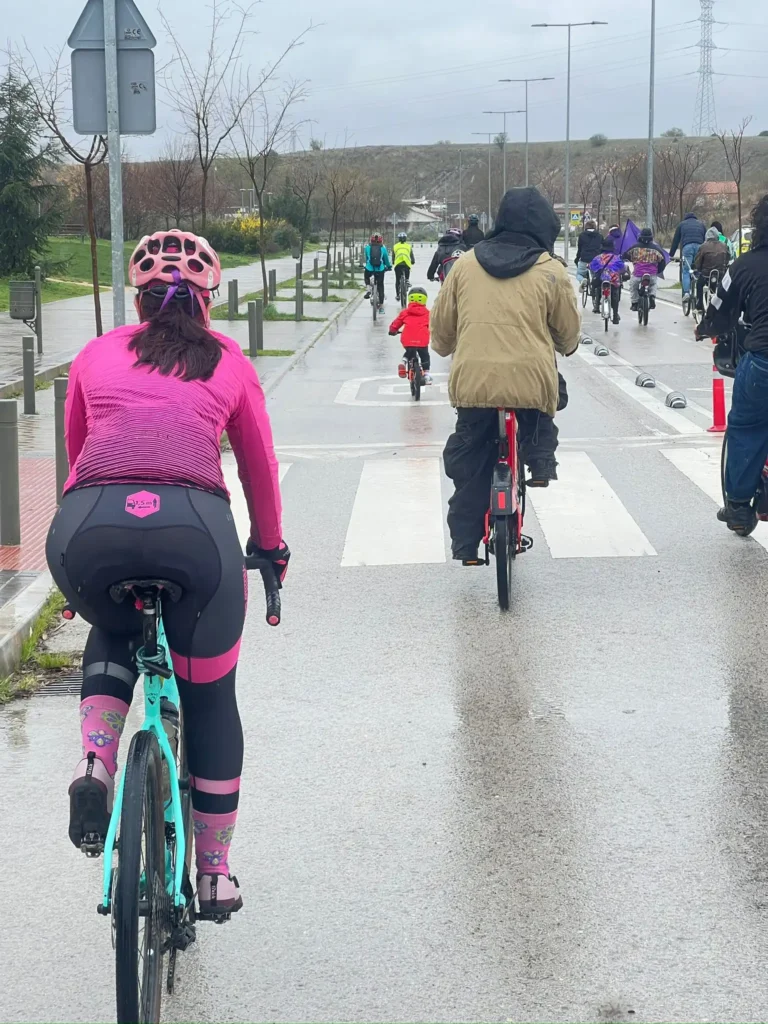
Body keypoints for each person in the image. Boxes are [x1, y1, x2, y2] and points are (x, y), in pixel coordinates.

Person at [50, 229, 288, 917]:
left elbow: (77, 452)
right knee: (211, 699)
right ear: (209, 299)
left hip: (89, 528)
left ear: (140, 299)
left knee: (113, 620)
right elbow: (259, 469)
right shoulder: (231, 362)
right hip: (196, 536)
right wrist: (270, 549)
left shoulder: (96, 353)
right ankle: (213, 874)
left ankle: (95, 761)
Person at [430, 186, 580, 563]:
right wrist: (564, 345)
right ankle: (542, 462)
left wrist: (447, 344)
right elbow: (568, 336)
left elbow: (442, 335)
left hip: (473, 384)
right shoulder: (551, 271)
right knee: (544, 401)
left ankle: (465, 546)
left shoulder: (463, 266)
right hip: (531, 381)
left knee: (469, 466)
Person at [696, 194, 768, 536]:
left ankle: (739, 507)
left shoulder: (744, 265)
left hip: (762, 362)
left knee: (746, 427)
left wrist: (706, 328)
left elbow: (719, 307)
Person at [388, 283, 432, 384]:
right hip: (422, 339)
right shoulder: (428, 313)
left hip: (408, 338)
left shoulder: (405, 313)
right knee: (424, 355)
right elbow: (434, 325)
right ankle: (426, 374)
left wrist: (392, 330)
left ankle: (403, 361)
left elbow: (396, 323)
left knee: (410, 349)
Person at [622, 227, 667, 311]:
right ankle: (652, 296)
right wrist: (658, 271)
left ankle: (634, 303)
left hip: (638, 274)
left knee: (633, 286)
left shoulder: (634, 247)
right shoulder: (656, 248)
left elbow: (625, 256)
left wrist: (630, 259)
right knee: (653, 284)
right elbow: (662, 261)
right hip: (652, 274)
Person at [669, 211, 706, 300]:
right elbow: (706, 238)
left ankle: (686, 293)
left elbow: (676, 241)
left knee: (686, 270)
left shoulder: (682, 225)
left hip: (687, 247)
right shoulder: (701, 224)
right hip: (700, 247)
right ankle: (699, 292)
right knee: (698, 269)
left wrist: (671, 255)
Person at [589, 237, 626, 323]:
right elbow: (623, 268)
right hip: (613, 281)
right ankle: (615, 315)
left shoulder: (598, 258)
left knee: (598, 288)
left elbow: (591, 267)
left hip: (601, 280)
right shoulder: (616, 258)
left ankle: (596, 306)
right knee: (615, 295)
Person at [693, 226, 729, 311]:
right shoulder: (724, 245)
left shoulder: (703, 246)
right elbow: (728, 258)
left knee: (699, 285)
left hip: (706, 275)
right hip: (720, 274)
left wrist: (698, 268)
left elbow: (698, 262)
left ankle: (699, 305)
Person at [364, 233, 392, 309]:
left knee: (367, 278)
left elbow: (366, 258)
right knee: (380, 285)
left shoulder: (367, 248)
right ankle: (381, 302)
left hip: (369, 268)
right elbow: (386, 259)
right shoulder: (383, 248)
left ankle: (368, 288)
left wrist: (367, 265)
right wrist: (389, 266)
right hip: (380, 269)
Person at [392, 231, 415, 302]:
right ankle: (407, 280)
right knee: (407, 269)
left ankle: (398, 295)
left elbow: (393, 256)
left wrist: (393, 262)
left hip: (398, 264)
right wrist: (413, 261)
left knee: (397, 280)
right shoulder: (408, 246)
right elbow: (411, 255)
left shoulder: (395, 246)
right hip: (406, 263)